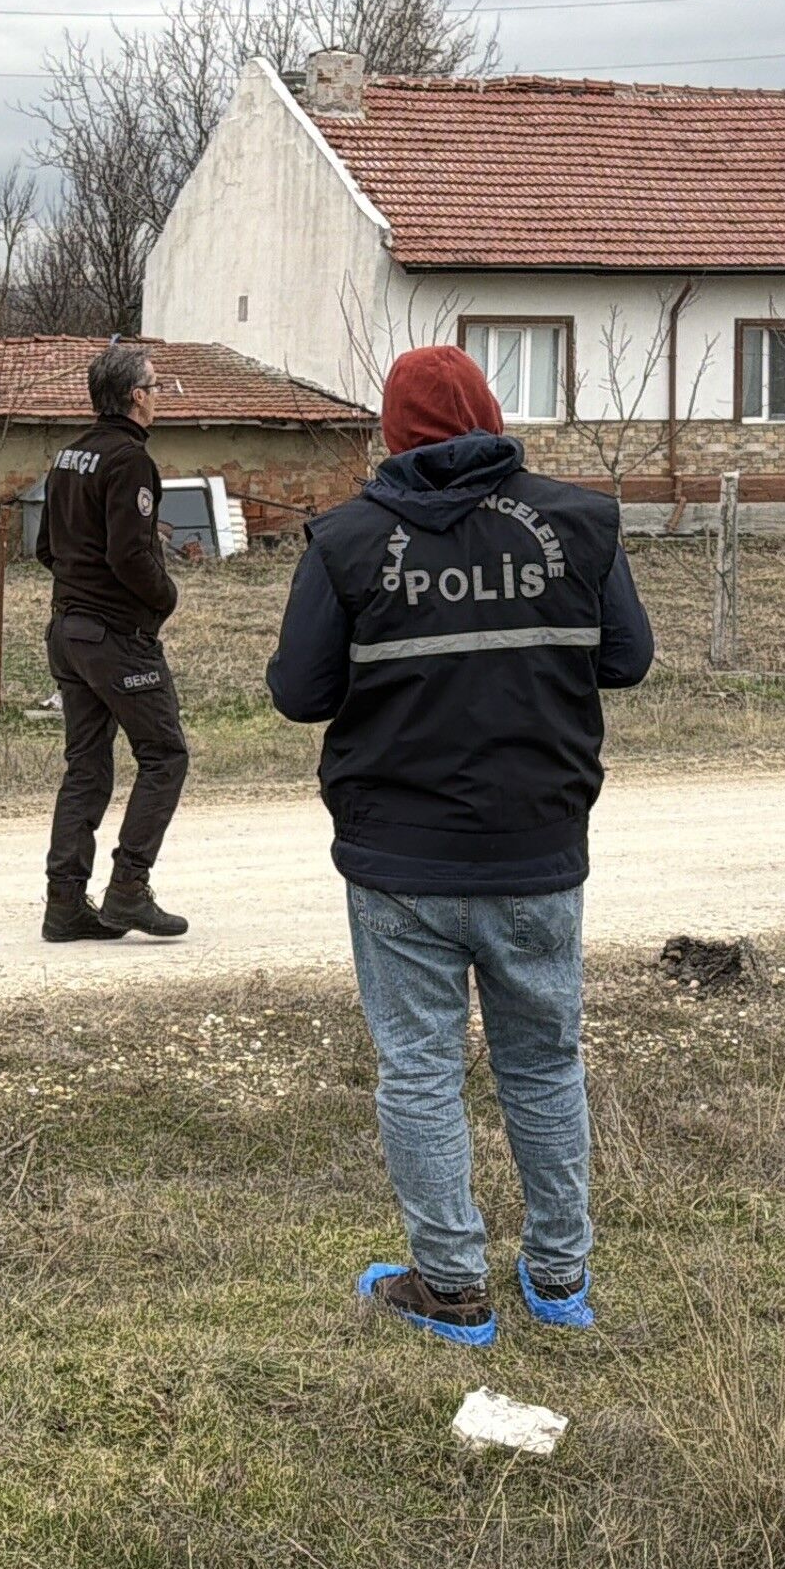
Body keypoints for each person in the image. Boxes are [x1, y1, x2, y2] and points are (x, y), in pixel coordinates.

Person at [265, 345, 654, 1346]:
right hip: (538, 845)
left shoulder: (348, 540)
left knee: (421, 1072)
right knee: (544, 1064)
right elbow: (627, 659)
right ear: (490, 415)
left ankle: (450, 1288)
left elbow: (299, 693)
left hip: (400, 859)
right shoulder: (580, 522)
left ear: (392, 434)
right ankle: (559, 1279)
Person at [34, 342, 191, 943]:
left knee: (87, 764)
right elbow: (129, 554)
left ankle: (64, 903)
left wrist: (80, 588)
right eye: (155, 385)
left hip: (67, 632)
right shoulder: (130, 461)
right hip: (116, 638)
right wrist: (165, 597)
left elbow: (46, 547)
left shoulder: (68, 455)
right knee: (164, 755)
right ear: (136, 396)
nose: (160, 395)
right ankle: (128, 888)